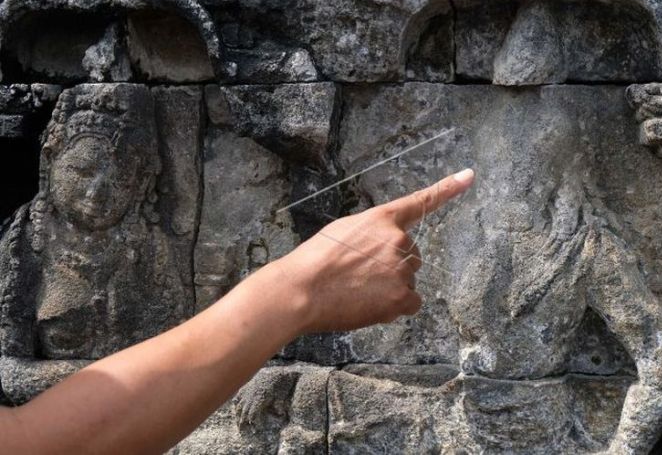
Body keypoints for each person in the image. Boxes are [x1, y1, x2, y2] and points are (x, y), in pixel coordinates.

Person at [0, 168, 475, 454]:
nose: (99, 189)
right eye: (82, 170)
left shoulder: (147, 251)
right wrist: (296, 289)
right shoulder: (29, 247)